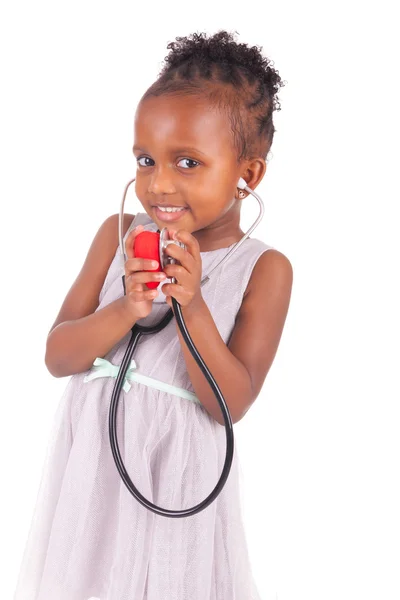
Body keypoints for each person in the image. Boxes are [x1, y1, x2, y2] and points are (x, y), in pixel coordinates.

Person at [14, 30, 293, 600]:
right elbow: (58, 356)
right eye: (146, 159)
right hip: (91, 472)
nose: (158, 183)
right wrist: (128, 305)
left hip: (176, 476)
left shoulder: (264, 269)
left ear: (250, 174)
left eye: (187, 162)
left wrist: (191, 308)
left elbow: (229, 403)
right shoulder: (118, 236)